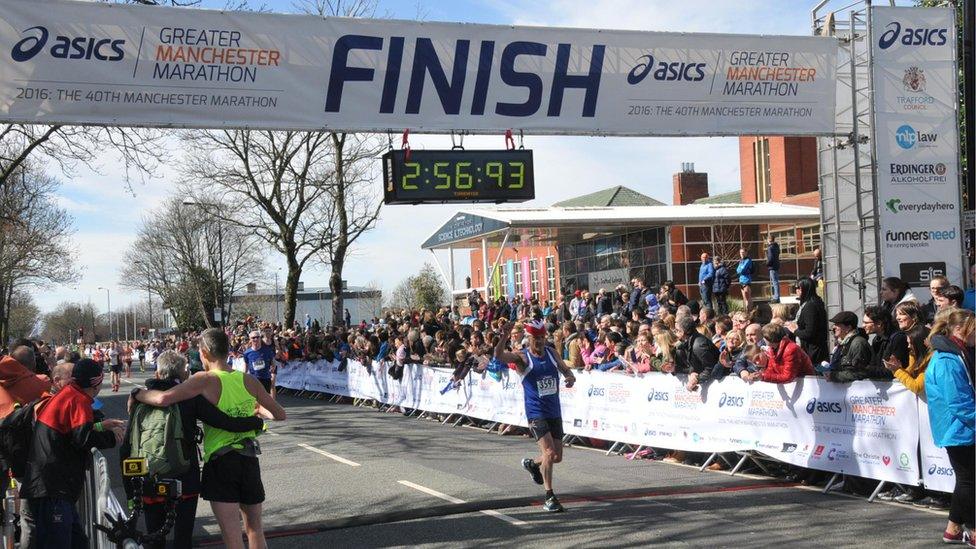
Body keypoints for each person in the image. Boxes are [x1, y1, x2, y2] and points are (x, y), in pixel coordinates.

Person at [132, 328, 286, 549]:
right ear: (227, 351)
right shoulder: (248, 380)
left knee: (232, 536)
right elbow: (280, 414)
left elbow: (164, 398)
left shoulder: (203, 379)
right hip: (249, 459)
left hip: (221, 462)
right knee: (255, 530)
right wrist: (257, 411)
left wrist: (137, 394)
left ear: (204, 353)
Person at [22, 359, 125, 548]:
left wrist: (102, 425)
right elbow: (83, 438)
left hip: (52, 484)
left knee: (78, 542)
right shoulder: (78, 399)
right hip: (52, 488)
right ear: (96, 382)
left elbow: (71, 431)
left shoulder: (70, 394)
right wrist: (111, 437)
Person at [494, 318, 575, 513]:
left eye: (541, 338)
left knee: (556, 457)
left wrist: (570, 377)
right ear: (529, 338)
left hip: (554, 410)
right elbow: (499, 357)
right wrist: (504, 336)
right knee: (548, 453)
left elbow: (565, 369)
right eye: (535, 338)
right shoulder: (522, 357)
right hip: (536, 412)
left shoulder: (551, 352)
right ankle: (549, 496)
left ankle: (532, 464)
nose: (539, 342)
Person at [923, 309, 975, 545]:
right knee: (969, 480)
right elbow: (959, 402)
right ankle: (973, 531)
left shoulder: (960, 354)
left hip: (961, 427)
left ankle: (953, 529)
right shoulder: (947, 359)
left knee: (967, 479)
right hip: (958, 428)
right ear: (959, 330)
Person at [824, 312, 873, 382]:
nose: (834, 327)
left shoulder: (858, 343)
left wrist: (834, 376)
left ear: (848, 327)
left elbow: (859, 373)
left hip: (856, 391)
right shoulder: (841, 343)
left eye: (837, 324)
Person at [793, 278, 829, 364]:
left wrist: (794, 330)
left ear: (805, 289)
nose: (796, 290)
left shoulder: (811, 306)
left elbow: (809, 332)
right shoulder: (811, 303)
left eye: (798, 288)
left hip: (813, 352)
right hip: (813, 350)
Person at [736, 247, 754, 312]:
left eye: (743, 252)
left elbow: (742, 270)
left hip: (746, 280)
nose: (742, 254)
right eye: (741, 253)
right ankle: (746, 311)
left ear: (746, 253)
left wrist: (741, 269)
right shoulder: (741, 261)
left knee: (748, 297)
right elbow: (737, 270)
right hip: (741, 281)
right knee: (744, 298)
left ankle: (750, 311)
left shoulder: (748, 260)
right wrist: (740, 269)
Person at [766, 234, 781, 303]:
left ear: (769, 240)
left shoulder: (770, 247)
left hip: (772, 267)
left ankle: (776, 297)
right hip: (776, 266)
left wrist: (767, 263)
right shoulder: (776, 246)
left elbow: (770, 258)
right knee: (776, 282)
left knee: (774, 282)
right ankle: (777, 297)